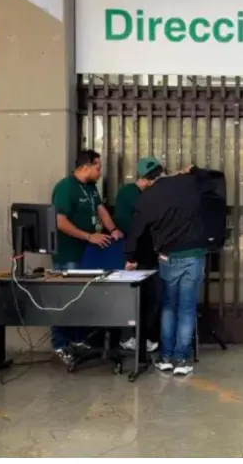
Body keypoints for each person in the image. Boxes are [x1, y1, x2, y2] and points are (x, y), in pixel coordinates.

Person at [124, 164, 210, 376]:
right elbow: (211, 178)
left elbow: (135, 233)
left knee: (169, 306)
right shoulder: (187, 182)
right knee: (187, 308)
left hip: (167, 257)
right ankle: (181, 359)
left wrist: (130, 259)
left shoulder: (146, 198)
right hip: (193, 254)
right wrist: (193, 169)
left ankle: (165, 358)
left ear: (146, 180)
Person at [50, 150, 123, 362]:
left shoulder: (90, 187)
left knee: (82, 298)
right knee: (65, 299)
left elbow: (100, 209)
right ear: (86, 167)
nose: (100, 172)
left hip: (88, 255)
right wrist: (88, 236)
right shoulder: (65, 187)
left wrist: (113, 229)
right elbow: (59, 221)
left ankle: (78, 339)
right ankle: (60, 343)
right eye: (98, 167)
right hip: (68, 253)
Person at [114, 157, 163, 352]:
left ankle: (145, 337)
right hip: (135, 254)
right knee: (134, 298)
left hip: (150, 253)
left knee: (151, 297)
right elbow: (133, 226)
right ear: (145, 179)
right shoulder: (129, 194)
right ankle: (128, 337)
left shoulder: (147, 195)